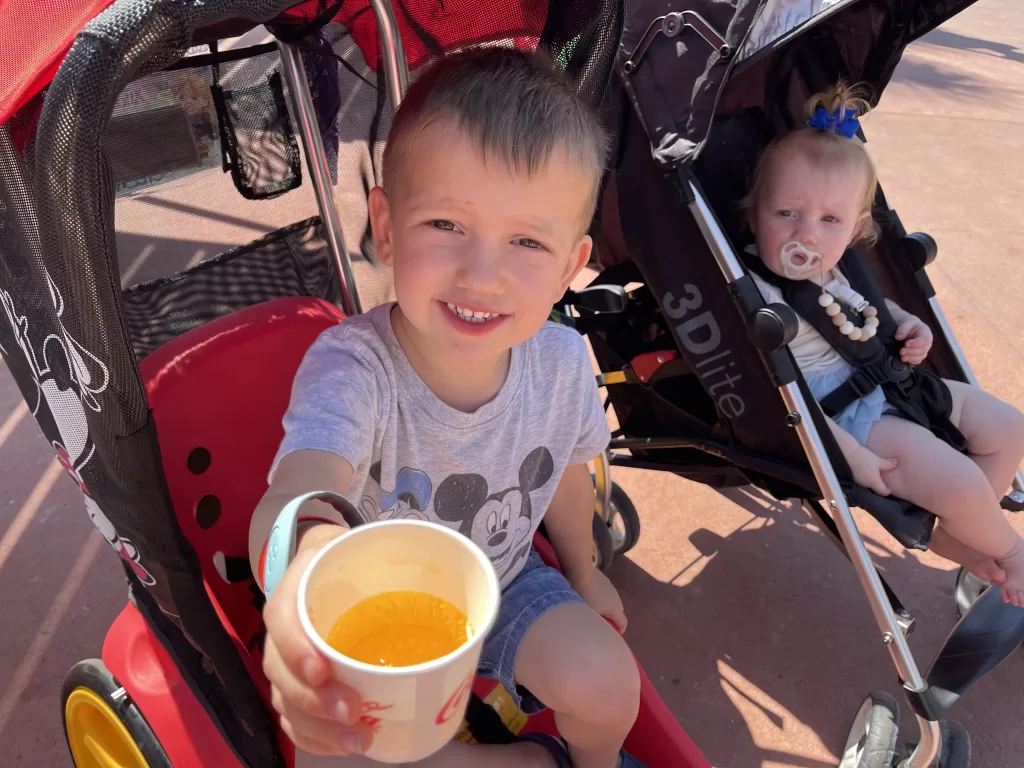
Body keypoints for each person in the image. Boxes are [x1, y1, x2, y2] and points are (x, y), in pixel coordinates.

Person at [247, 48, 648, 768]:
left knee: (611, 683)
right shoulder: (354, 367)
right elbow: (304, 485)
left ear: (568, 267)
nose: (482, 274)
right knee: (328, 760)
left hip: (504, 582)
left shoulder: (558, 362)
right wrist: (305, 565)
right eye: (446, 226)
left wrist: (586, 571)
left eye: (527, 241)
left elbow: (563, 471)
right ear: (389, 226)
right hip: (373, 616)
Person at [741, 82, 1024, 607]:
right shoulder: (755, 289)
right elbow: (771, 388)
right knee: (960, 481)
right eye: (786, 214)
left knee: (1009, 427)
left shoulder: (836, 265)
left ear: (854, 230)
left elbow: (860, 309)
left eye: (829, 221)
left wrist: (907, 321)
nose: (807, 233)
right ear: (754, 212)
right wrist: (842, 452)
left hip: (892, 377)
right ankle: (1009, 552)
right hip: (845, 415)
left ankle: (961, 535)